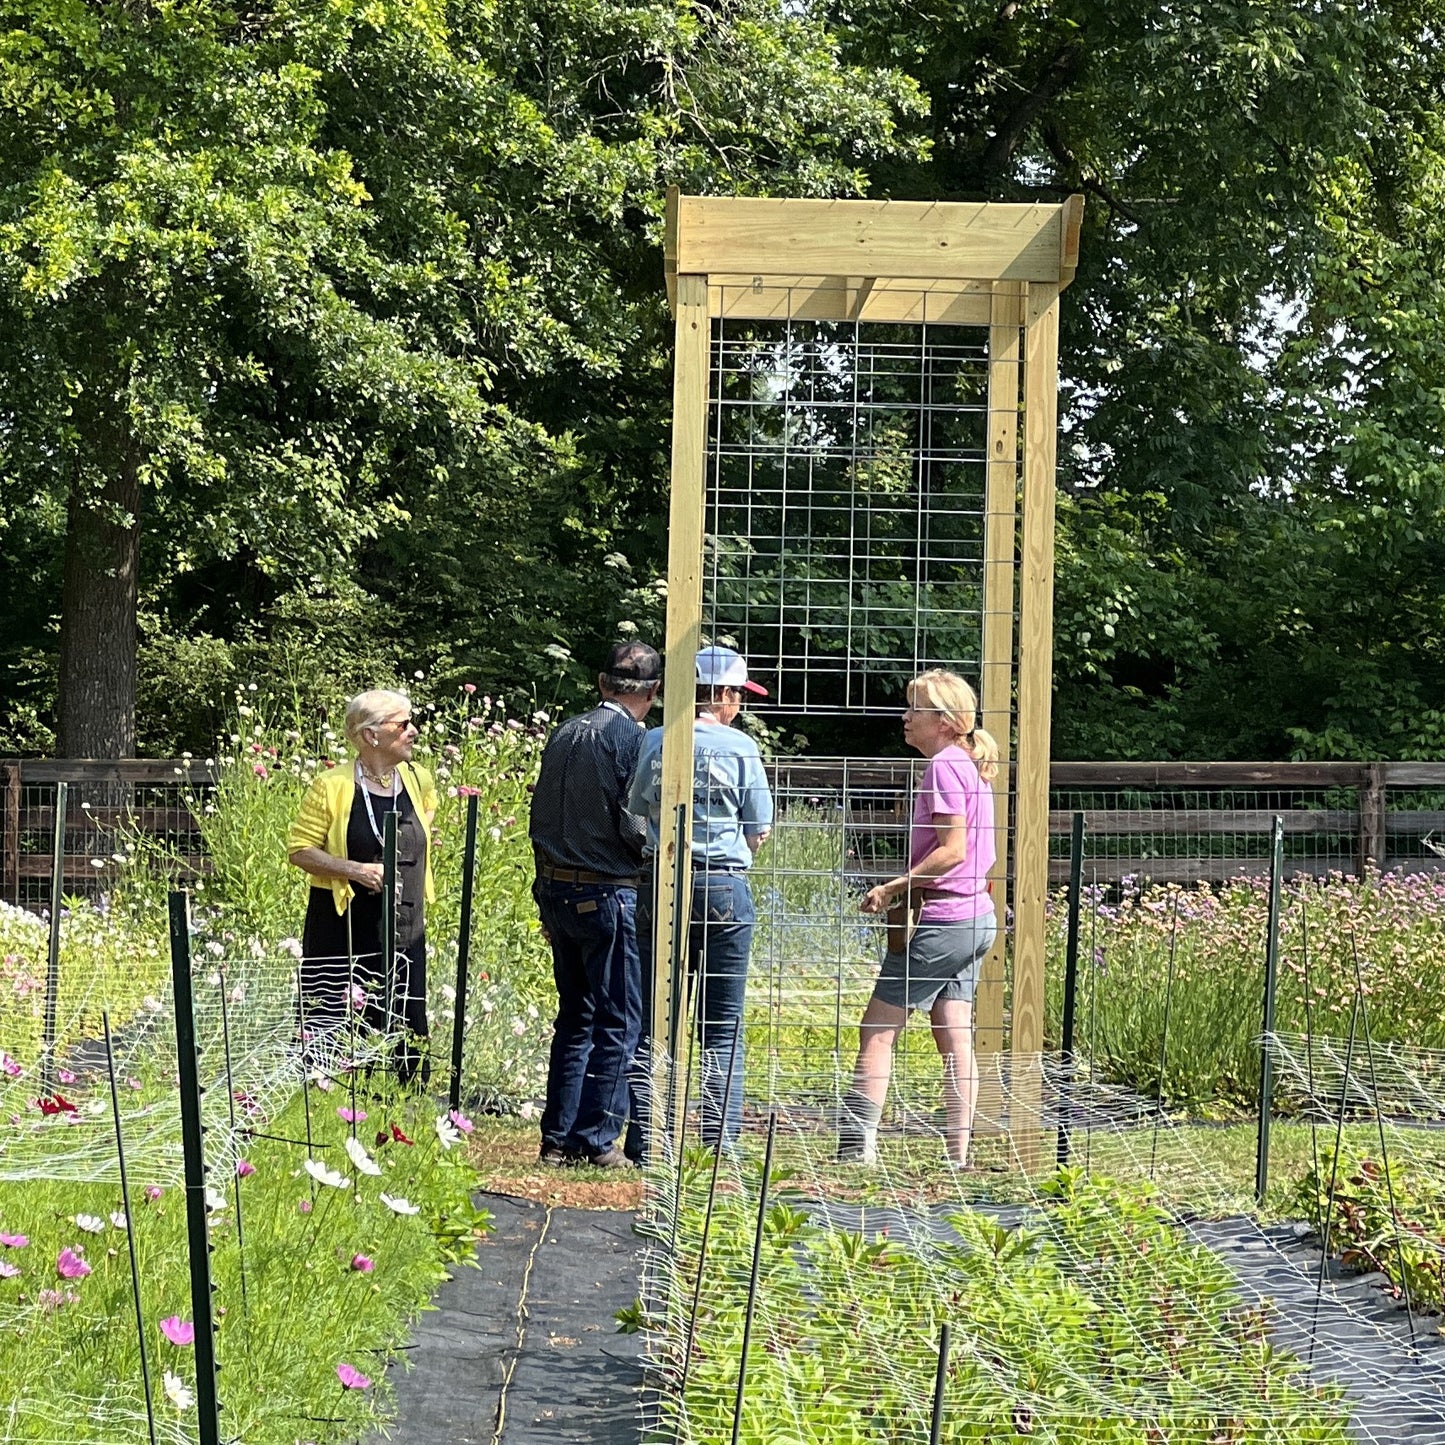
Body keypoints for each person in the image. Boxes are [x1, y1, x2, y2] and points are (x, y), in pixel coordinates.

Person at [838, 669, 999, 1168]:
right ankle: (958, 1158)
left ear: (947, 722)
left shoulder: (945, 766)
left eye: (916, 710)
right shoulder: (966, 763)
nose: (905, 718)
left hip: (945, 920)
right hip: (978, 917)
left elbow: (953, 851)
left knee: (877, 1029)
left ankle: (855, 1149)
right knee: (954, 1034)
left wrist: (893, 887)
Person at [626, 645, 773, 1159]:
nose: (739, 705)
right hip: (722, 886)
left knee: (651, 1017)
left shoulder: (657, 740)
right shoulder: (741, 747)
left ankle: (647, 1140)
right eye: (738, 696)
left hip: (662, 880)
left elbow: (636, 811)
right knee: (722, 1025)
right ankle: (717, 1144)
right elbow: (759, 828)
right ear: (726, 695)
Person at [530, 643, 662, 1168]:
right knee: (620, 1018)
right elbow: (633, 823)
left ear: (602, 683)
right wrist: (658, 849)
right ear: (651, 694)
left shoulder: (563, 731)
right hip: (607, 891)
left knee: (575, 1016)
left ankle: (556, 1137)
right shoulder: (633, 740)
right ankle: (596, 1139)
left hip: (555, 888)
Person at [286, 689, 438, 1083]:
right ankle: (329, 1094)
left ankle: (406, 1100)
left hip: (404, 921)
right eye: (403, 724)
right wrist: (353, 869)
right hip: (343, 924)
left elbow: (424, 832)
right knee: (335, 1015)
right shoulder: (330, 785)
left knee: (405, 1010)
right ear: (371, 735)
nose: (414, 731)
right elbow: (300, 850)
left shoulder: (419, 780)